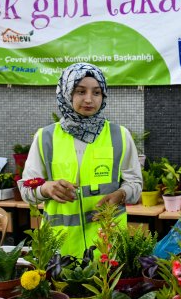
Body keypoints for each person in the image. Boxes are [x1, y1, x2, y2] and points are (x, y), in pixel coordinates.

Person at [20, 62, 142, 258]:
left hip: (108, 247)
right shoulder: (46, 137)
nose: (88, 99)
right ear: (67, 93)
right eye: (80, 91)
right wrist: (47, 188)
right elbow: (26, 189)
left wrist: (121, 194)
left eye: (96, 92)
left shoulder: (119, 135)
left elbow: (135, 184)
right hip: (60, 248)